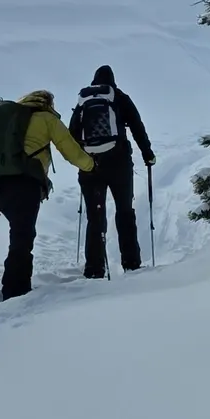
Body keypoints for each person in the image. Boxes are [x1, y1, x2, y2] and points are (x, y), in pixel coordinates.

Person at [0, 89, 94, 300]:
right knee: (22, 237)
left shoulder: (6, 119)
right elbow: (71, 151)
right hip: (25, 184)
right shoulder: (47, 118)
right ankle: (16, 291)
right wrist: (91, 166)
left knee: (19, 234)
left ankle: (14, 286)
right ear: (48, 103)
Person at [68, 65, 155, 277]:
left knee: (95, 216)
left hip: (90, 166)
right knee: (125, 211)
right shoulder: (119, 97)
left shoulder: (83, 100)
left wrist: (83, 159)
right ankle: (131, 263)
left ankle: (94, 268)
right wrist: (147, 154)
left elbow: (72, 133)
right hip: (119, 163)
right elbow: (137, 125)